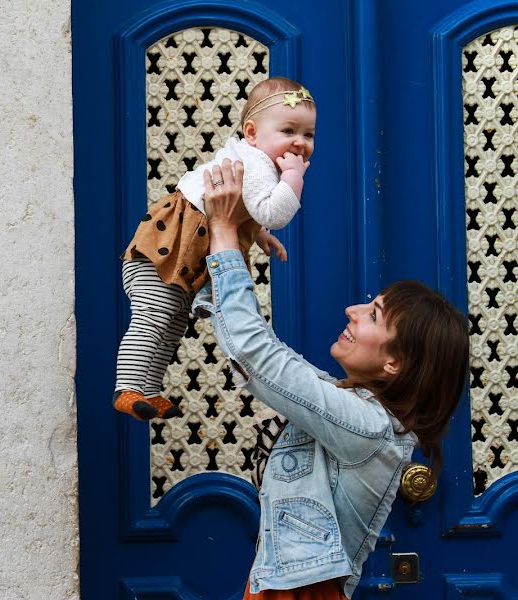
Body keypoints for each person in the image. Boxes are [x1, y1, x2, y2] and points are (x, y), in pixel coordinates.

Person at [196, 158, 470, 599]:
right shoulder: (355, 409)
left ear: (394, 364)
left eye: (373, 315)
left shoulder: (367, 426)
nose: (352, 311)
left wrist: (226, 235)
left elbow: (258, 355)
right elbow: (263, 360)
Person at [114, 77, 316, 420]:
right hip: (165, 253)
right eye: (288, 131)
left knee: (173, 323)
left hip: (181, 256)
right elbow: (273, 212)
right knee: (153, 319)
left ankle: (148, 390)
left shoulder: (251, 159)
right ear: (251, 133)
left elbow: (249, 210)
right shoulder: (257, 164)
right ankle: (128, 387)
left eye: (308, 134)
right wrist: (293, 179)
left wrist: (260, 235)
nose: (299, 142)